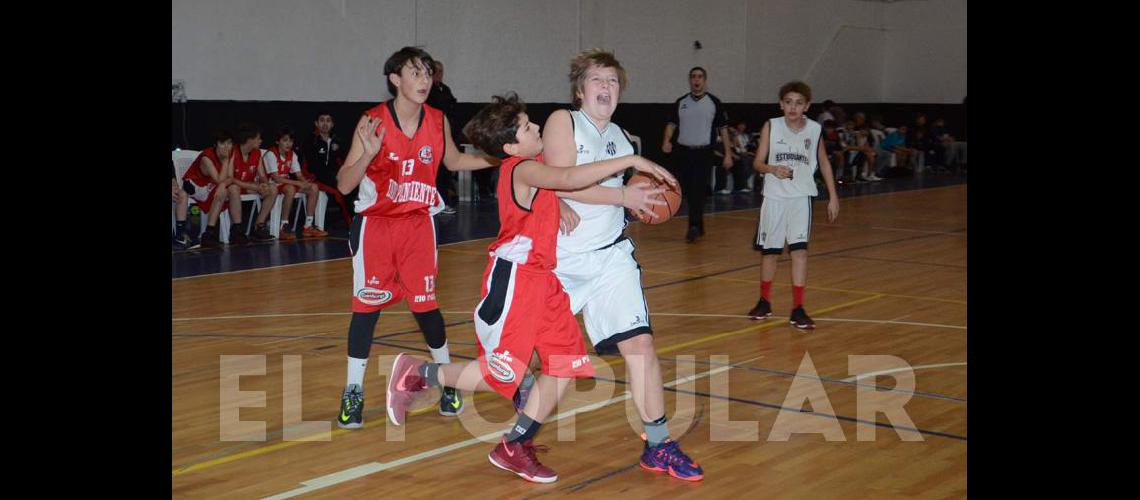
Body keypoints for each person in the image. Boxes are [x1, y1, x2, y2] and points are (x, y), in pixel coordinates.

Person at [386, 92, 677, 483]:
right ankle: (419, 374)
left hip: (546, 281)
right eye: (526, 126)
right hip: (516, 281)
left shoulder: (534, 164)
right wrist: (632, 160)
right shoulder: (520, 168)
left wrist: (562, 203)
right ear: (510, 146)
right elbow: (568, 177)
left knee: (563, 365)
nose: (536, 127)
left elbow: (561, 186)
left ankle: (514, 446)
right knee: (501, 375)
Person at [541, 49, 705, 481]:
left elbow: (616, 192)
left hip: (611, 257)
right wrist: (574, 199)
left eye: (613, 82)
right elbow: (561, 179)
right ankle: (431, 376)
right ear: (580, 89)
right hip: (563, 260)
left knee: (641, 347)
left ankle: (659, 443)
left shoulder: (621, 136)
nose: (606, 88)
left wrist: (643, 204)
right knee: (522, 360)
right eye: (598, 80)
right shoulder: (564, 122)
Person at [333, 46, 498, 429]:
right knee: (366, 309)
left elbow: (454, 162)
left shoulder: (437, 120)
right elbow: (344, 183)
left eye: (428, 73)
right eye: (416, 73)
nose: (424, 80)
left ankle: (448, 380)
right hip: (376, 227)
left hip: (418, 226)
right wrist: (366, 155)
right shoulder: (372, 122)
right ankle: (353, 392)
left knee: (426, 307)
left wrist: (501, 159)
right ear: (395, 78)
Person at [748, 81, 840, 329]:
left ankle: (797, 308)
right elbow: (757, 162)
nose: (793, 107)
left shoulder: (814, 130)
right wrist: (771, 169)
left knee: (799, 252)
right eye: (788, 102)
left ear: (807, 106)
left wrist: (833, 196)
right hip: (774, 198)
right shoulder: (771, 126)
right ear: (781, 104)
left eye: (799, 103)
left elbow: (824, 163)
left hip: (801, 199)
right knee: (770, 253)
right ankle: (764, 301)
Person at [661, 66, 733, 243]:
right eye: (693, 77)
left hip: (704, 153)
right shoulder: (681, 102)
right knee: (687, 189)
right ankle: (698, 226)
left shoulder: (714, 102)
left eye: (700, 77)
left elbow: (723, 131)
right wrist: (666, 141)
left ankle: (693, 226)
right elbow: (671, 125)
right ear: (689, 80)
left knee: (697, 190)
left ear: (705, 80)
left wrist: (728, 154)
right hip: (684, 152)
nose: (696, 80)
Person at [263, 127, 328, 240]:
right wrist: (298, 182)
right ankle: (283, 226)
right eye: (285, 140)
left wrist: (304, 182)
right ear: (278, 141)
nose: (288, 144)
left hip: (287, 183)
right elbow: (276, 178)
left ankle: (308, 225)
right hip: (271, 185)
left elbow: (298, 174)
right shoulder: (271, 154)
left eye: (291, 141)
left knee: (314, 187)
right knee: (290, 189)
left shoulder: (292, 155)